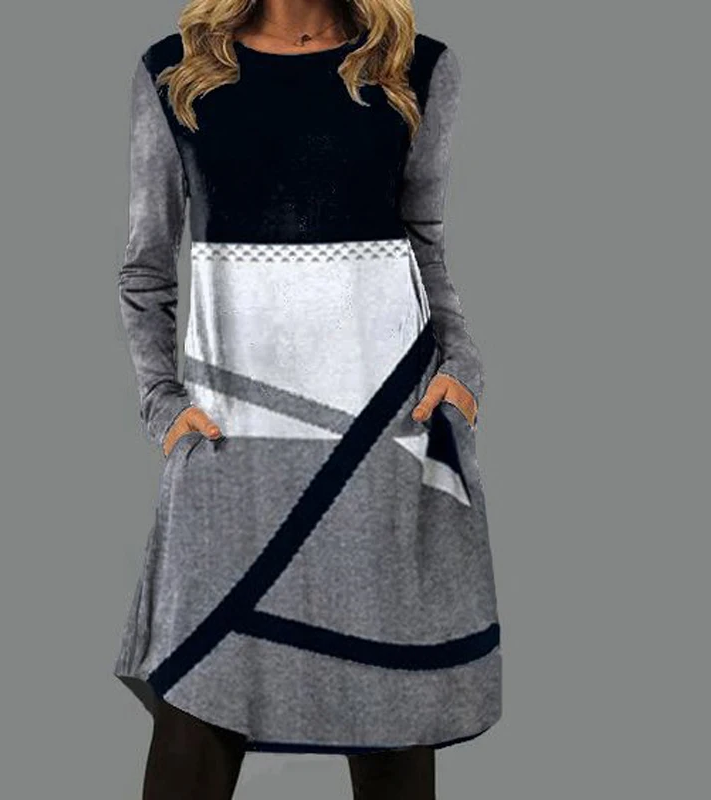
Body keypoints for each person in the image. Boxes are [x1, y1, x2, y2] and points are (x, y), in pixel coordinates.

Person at [113, 1, 502, 797]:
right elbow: (146, 268)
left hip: (384, 437)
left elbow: (424, 242)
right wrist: (162, 404)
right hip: (229, 446)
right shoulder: (175, 71)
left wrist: (462, 369)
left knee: (392, 720)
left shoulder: (416, 68)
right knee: (196, 709)